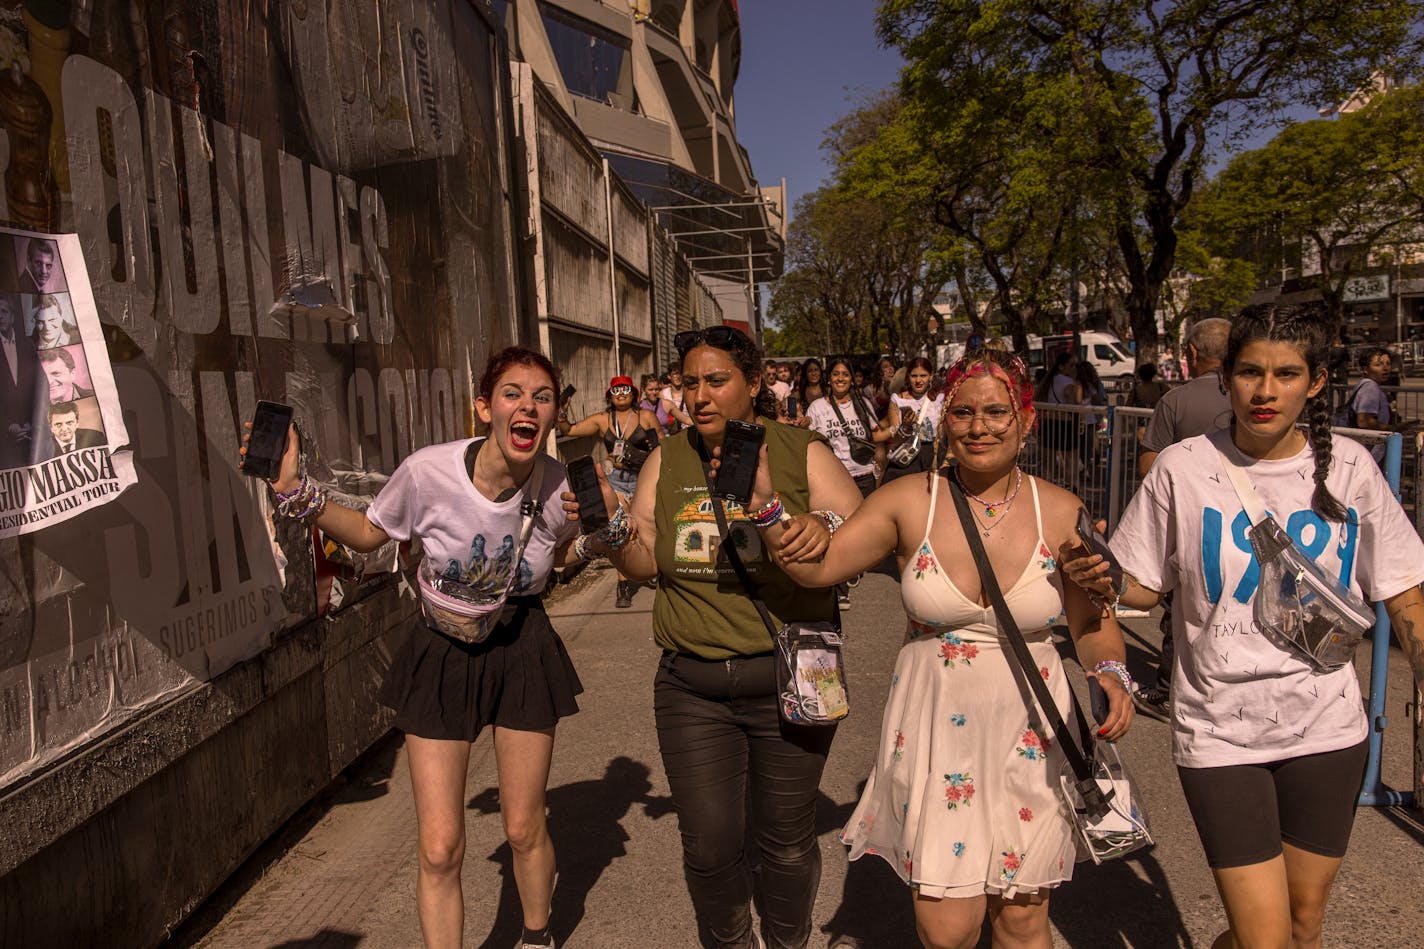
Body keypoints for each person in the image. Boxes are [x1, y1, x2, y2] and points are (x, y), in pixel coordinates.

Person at [1066, 302, 1424, 949]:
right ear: (1226, 377)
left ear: (1315, 381)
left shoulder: (1349, 468)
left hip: (1327, 729)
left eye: (1286, 373)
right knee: (1266, 939)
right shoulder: (1184, 469)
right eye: (1251, 372)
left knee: (1300, 927)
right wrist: (1107, 578)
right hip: (1221, 730)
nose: (1266, 390)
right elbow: (1146, 582)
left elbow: (1403, 591)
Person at [752, 349, 1134, 949]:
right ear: (943, 420)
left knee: (1023, 923)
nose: (978, 426)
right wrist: (770, 507)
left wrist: (1111, 673)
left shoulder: (1062, 511)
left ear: (1027, 420)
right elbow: (817, 567)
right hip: (937, 730)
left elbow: (1093, 624)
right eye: (962, 412)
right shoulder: (910, 500)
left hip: (1032, 731)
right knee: (947, 929)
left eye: (996, 412)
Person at [241, 347, 583, 949]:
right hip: (442, 647)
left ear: (555, 415)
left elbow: (566, 562)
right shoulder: (428, 472)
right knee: (439, 844)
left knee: (525, 827)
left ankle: (535, 937)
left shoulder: (561, 488)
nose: (527, 406)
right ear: (484, 407)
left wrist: (597, 530)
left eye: (543, 396)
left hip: (521, 641)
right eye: (511, 393)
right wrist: (297, 490)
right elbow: (373, 533)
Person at [562, 324, 863, 949]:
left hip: (791, 679)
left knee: (784, 840)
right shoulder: (669, 459)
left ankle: (787, 941)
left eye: (717, 380)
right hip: (691, 689)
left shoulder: (800, 449)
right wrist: (607, 529)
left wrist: (815, 522)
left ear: (753, 384)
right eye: (689, 382)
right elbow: (643, 560)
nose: (700, 395)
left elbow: (857, 526)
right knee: (708, 845)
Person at [1131, 317, 1232, 723]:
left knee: (1182, 607)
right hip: (1251, 525)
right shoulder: (1252, 398)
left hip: (1192, 524)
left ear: (1191, 355)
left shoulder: (1175, 401)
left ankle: (1169, 690)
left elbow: (1148, 465)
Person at [557, 375, 661, 608]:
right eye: (616, 390)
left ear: (634, 394)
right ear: (610, 395)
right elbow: (570, 430)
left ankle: (650, 565)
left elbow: (662, 447)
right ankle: (623, 584)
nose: (621, 394)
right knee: (619, 531)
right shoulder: (603, 420)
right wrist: (562, 413)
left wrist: (645, 455)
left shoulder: (645, 416)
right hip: (616, 481)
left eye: (626, 389)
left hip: (642, 480)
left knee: (645, 528)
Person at [807, 357, 890, 609]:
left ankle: (851, 568)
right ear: (828, 379)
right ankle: (842, 586)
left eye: (845, 374)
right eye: (835, 374)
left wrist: (899, 430)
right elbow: (811, 440)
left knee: (858, 530)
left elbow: (876, 436)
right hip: (834, 478)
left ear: (852, 379)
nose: (840, 378)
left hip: (863, 474)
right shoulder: (817, 408)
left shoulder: (862, 404)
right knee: (839, 530)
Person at [0, 291, 48, 468]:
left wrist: (32, 422)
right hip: (6, 442)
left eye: (4, 311)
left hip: (34, 436)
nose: (0, 316)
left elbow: (39, 387)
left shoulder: (28, 346)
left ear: (12, 317)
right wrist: (8, 427)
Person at [882, 356, 944, 484]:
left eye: (923, 375)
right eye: (914, 376)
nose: (918, 380)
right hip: (908, 456)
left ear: (931, 376)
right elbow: (894, 440)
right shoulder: (897, 399)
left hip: (933, 456)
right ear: (908, 377)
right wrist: (905, 427)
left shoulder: (939, 398)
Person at [1033, 350, 1081, 489]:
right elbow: (1073, 403)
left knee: (1048, 464)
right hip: (1065, 424)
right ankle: (1071, 490)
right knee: (1070, 461)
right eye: (1071, 365)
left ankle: (1045, 491)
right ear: (1061, 366)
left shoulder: (1049, 380)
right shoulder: (1068, 382)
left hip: (1049, 423)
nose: (1074, 369)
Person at [1337, 346, 1392, 464]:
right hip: (1367, 456)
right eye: (1378, 364)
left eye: (1388, 363)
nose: (1385, 368)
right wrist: (1390, 429)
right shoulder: (1370, 387)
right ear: (1365, 369)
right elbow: (1364, 420)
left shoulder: (1365, 385)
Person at [661, 366, 693, 431]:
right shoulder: (663, 394)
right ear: (669, 376)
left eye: (680, 374)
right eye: (675, 374)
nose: (678, 377)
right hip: (671, 432)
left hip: (689, 428)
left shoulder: (689, 391)